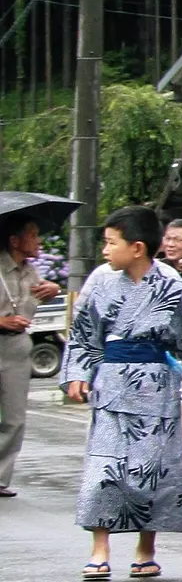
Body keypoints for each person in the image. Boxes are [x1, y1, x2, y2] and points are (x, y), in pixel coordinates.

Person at [63, 205, 182, 580]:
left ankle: (146, 548)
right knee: (105, 470)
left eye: (110, 243)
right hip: (112, 383)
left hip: (156, 387)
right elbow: (84, 333)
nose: (104, 250)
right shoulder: (100, 280)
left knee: (154, 471)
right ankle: (100, 547)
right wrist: (77, 373)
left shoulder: (168, 281)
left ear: (136, 248)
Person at [0, 208, 60, 498]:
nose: (38, 242)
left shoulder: (31, 271)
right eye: (33, 235)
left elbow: (39, 294)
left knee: (14, 416)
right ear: (14, 240)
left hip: (17, 346)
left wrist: (54, 288)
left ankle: (0, 477)